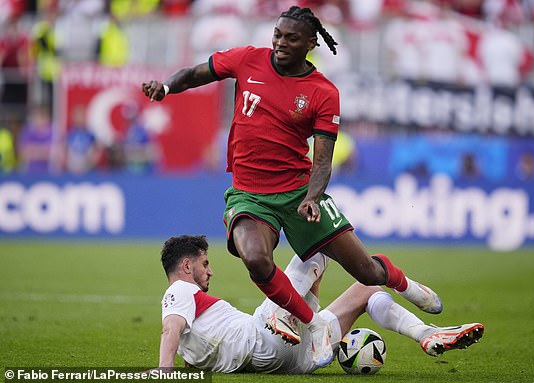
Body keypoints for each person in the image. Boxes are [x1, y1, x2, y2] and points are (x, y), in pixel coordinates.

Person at [143, 5, 443, 367]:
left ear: (310, 43)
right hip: (249, 193)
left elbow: (322, 160)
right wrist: (166, 87)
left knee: (365, 271)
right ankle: (314, 325)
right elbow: (194, 73)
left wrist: (313, 198)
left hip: (299, 191)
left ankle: (404, 284)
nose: (280, 43)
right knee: (255, 258)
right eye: (278, 35)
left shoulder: (323, 92)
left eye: (291, 38)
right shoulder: (248, 60)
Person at [158, 234, 485, 373]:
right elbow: (170, 330)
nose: (209, 270)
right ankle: (285, 315)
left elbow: (193, 344)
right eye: (204, 264)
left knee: (366, 292)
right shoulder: (180, 292)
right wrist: (164, 373)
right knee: (317, 245)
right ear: (186, 267)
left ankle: (426, 333)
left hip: (293, 361)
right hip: (262, 337)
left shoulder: (194, 335)